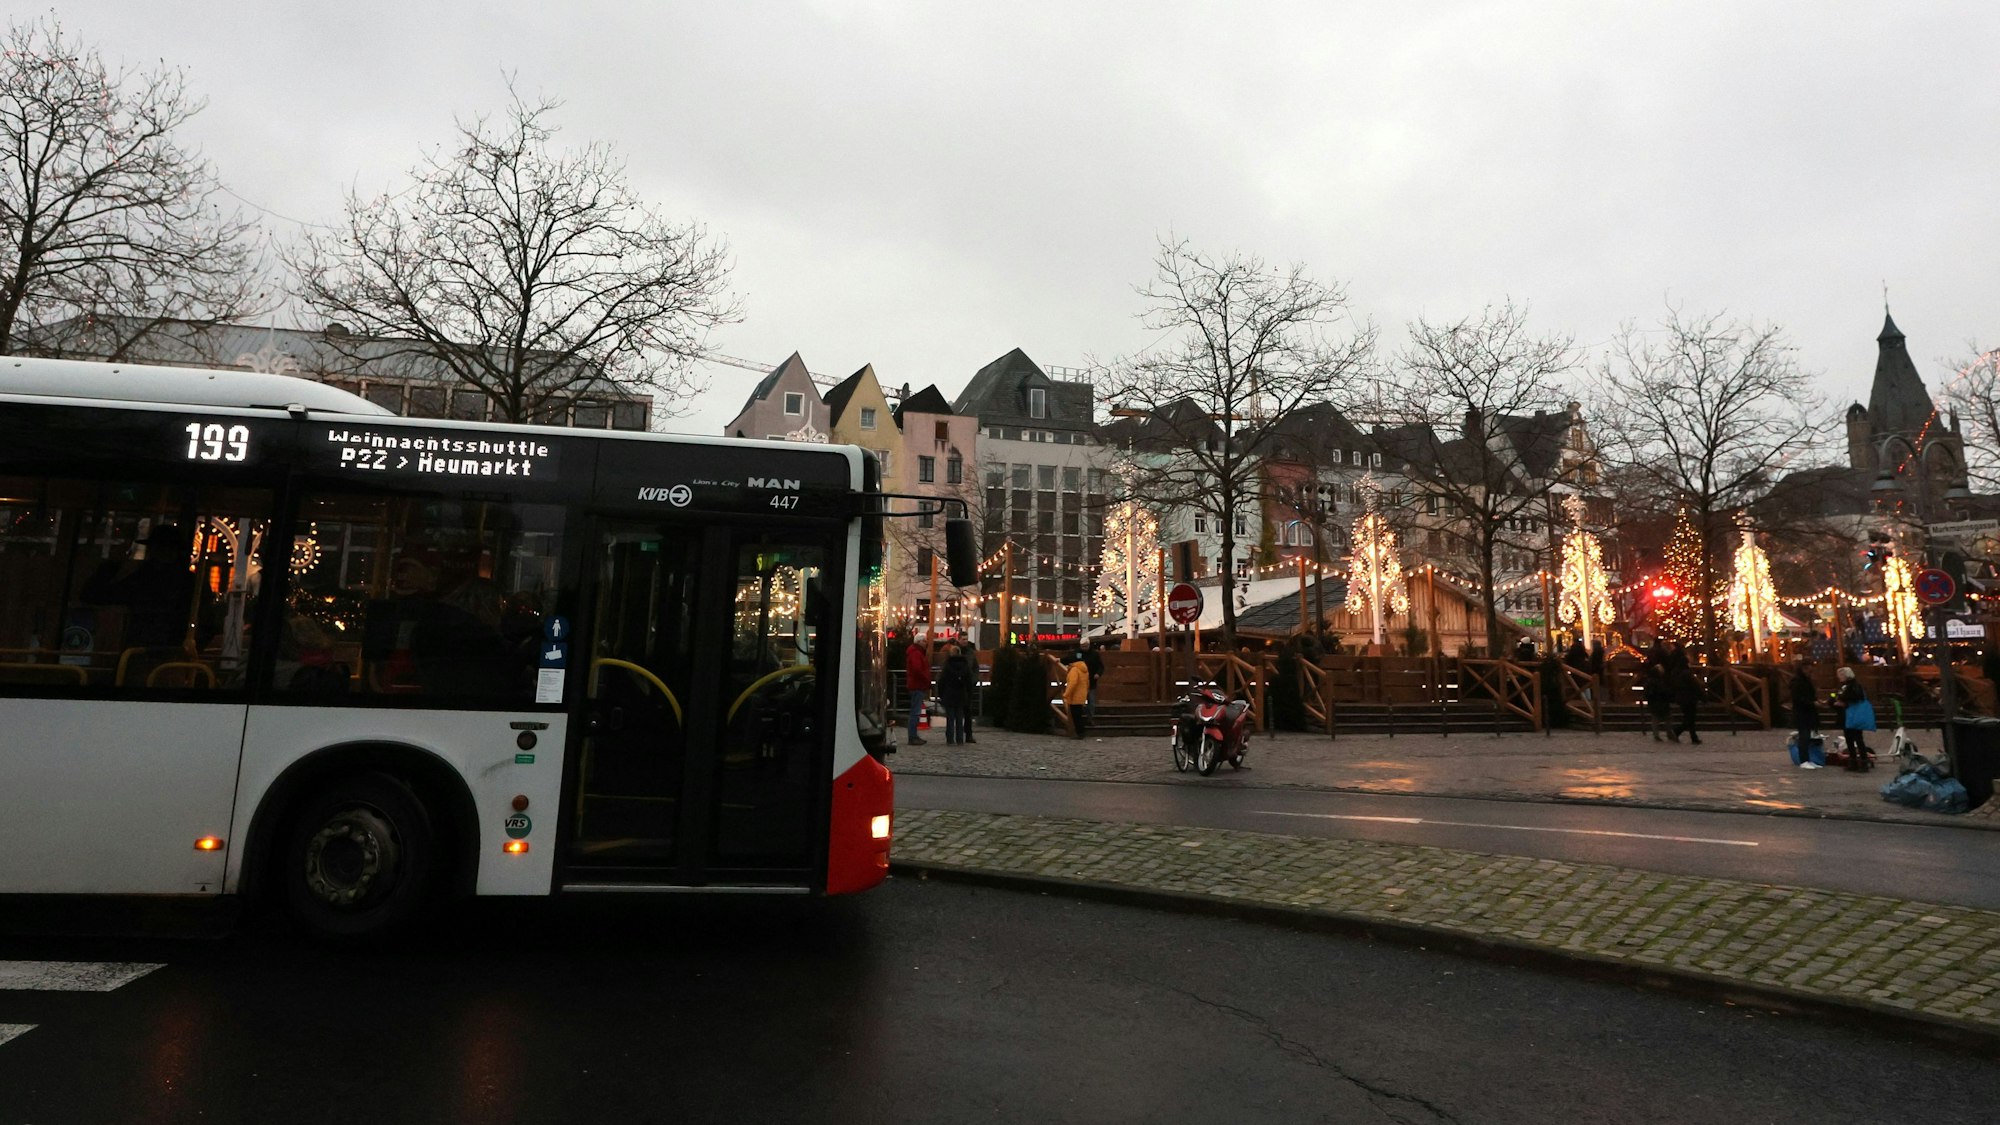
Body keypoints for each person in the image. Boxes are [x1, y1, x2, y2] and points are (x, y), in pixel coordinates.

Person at [1837, 666, 1875, 771]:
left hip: (1853, 715)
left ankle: (1861, 761)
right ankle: (1855, 761)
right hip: (1850, 715)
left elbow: (1853, 697)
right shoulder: (1849, 686)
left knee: (1856, 738)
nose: (1839, 677)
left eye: (1841, 675)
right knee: (1851, 738)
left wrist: (1842, 699)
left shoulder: (1853, 686)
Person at [937, 643, 975, 745]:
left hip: (949, 694)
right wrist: (968, 694)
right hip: (961, 694)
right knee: (959, 717)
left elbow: (941, 681)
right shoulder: (965, 665)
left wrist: (941, 694)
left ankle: (950, 739)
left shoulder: (947, 665)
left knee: (950, 718)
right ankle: (960, 738)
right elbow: (969, 681)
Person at [1666, 640, 1701, 744]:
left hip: (1681, 697)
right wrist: (1703, 697)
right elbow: (1695, 686)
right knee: (1690, 719)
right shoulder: (1686, 673)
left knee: (1689, 718)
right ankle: (1677, 731)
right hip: (1689, 698)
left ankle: (1693, 737)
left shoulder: (1675, 673)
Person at [1789, 659, 1820, 768]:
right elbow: (1797, 698)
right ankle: (1804, 760)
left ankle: (1807, 759)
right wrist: (1812, 703)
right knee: (1804, 736)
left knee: (1807, 737)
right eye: (1808, 670)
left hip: (1808, 712)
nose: (1810, 673)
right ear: (1803, 669)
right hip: (1801, 712)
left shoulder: (1806, 681)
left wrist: (1815, 701)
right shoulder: (1797, 682)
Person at [1640, 642, 1671, 742]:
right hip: (1661, 702)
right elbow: (1664, 691)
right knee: (1666, 718)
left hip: (1654, 702)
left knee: (1656, 719)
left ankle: (1657, 734)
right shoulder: (1659, 682)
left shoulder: (1650, 681)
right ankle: (1668, 733)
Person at [903, 640, 932, 745]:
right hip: (917, 685)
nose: (926, 643)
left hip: (916, 684)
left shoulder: (914, 652)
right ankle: (912, 736)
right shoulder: (916, 653)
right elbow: (917, 669)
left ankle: (913, 735)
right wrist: (926, 679)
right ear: (920, 642)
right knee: (915, 712)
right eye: (924, 641)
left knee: (915, 711)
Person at [1063, 652, 1091, 739]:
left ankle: (1080, 733)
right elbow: (1087, 683)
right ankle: (1081, 732)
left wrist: (1066, 694)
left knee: (1076, 716)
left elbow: (1072, 683)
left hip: (1074, 696)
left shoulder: (1074, 670)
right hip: (1082, 695)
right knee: (1079, 715)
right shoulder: (1084, 669)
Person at [1082, 644, 1105, 720]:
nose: (1084, 648)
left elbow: (1101, 666)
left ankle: (1090, 717)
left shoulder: (1094, 654)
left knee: (1091, 701)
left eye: (1085, 646)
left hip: (1090, 680)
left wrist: (1098, 673)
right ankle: (1087, 717)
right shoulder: (1080, 653)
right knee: (1086, 700)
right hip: (1084, 680)